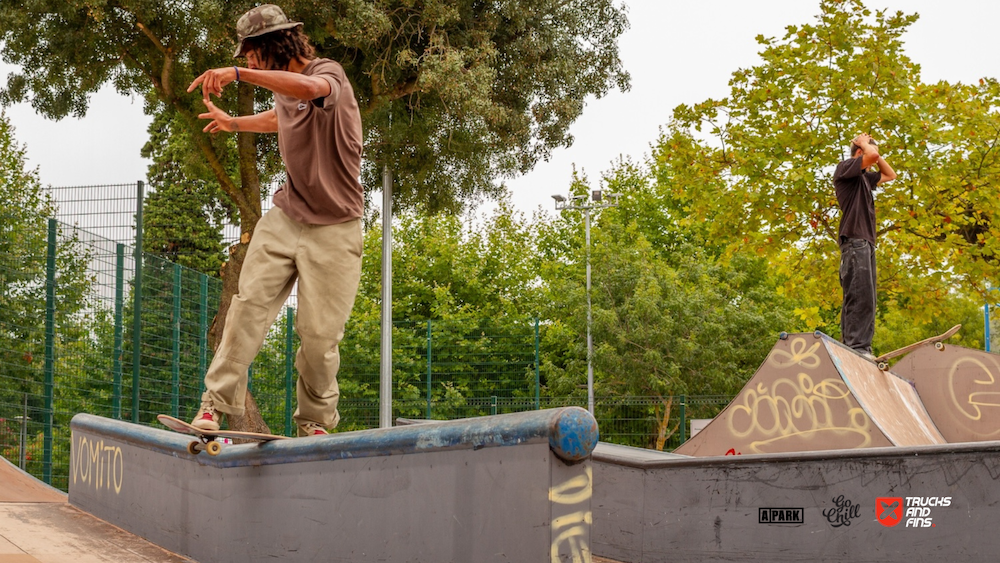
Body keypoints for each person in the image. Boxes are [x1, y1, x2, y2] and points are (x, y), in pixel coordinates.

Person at [186, 4, 364, 436]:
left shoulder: (328, 75)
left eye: (249, 54)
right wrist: (234, 124)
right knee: (247, 310)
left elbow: (307, 90)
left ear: (271, 46)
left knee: (319, 339)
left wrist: (238, 75)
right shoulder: (288, 91)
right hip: (285, 217)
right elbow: (281, 114)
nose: (246, 62)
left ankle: (315, 424)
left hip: (336, 227)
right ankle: (214, 405)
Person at [833, 133, 897, 357]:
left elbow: (891, 175)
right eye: (869, 153)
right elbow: (872, 155)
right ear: (859, 153)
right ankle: (856, 347)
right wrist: (864, 144)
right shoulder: (845, 170)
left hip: (867, 244)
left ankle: (862, 347)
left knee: (868, 298)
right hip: (854, 240)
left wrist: (874, 154)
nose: (874, 160)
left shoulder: (865, 179)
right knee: (859, 294)